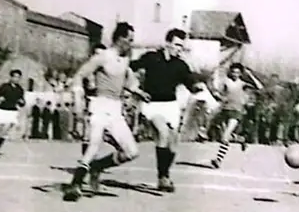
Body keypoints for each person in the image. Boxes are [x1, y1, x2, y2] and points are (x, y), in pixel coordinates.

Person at [63, 22, 148, 202]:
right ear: (120, 38)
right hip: (100, 106)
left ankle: (97, 167)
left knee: (132, 152)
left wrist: (138, 92)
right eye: (129, 40)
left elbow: (126, 81)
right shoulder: (102, 56)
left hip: (116, 109)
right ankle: (75, 184)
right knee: (93, 146)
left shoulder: (125, 59)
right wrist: (77, 97)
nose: (131, 43)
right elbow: (79, 75)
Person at [129, 28, 207, 193]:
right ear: (168, 43)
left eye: (181, 46)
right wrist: (135, 89)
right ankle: (163, 177)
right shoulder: (151, 58)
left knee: (173, 146)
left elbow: (189, 83)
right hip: (152, 105)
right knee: (163, 133)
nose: (179, 49)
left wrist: (196, 87)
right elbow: (130, 68)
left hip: (171, 105)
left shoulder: (181, 65)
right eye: (177, 45)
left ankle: (164, 174)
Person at [209, 62, 259, 169]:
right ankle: (241, 139)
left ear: (241, 73)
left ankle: (218, 160)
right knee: (224, 137)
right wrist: (218, 96)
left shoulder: (243, 84)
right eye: (233, 72)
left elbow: (259, 87)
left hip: (237, 112)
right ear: (230, 72)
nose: (235, 74)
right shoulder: (225, 82)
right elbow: (218, 92)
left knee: (225, 137)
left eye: (238, 72)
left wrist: (250, 75)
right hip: (225, 111)